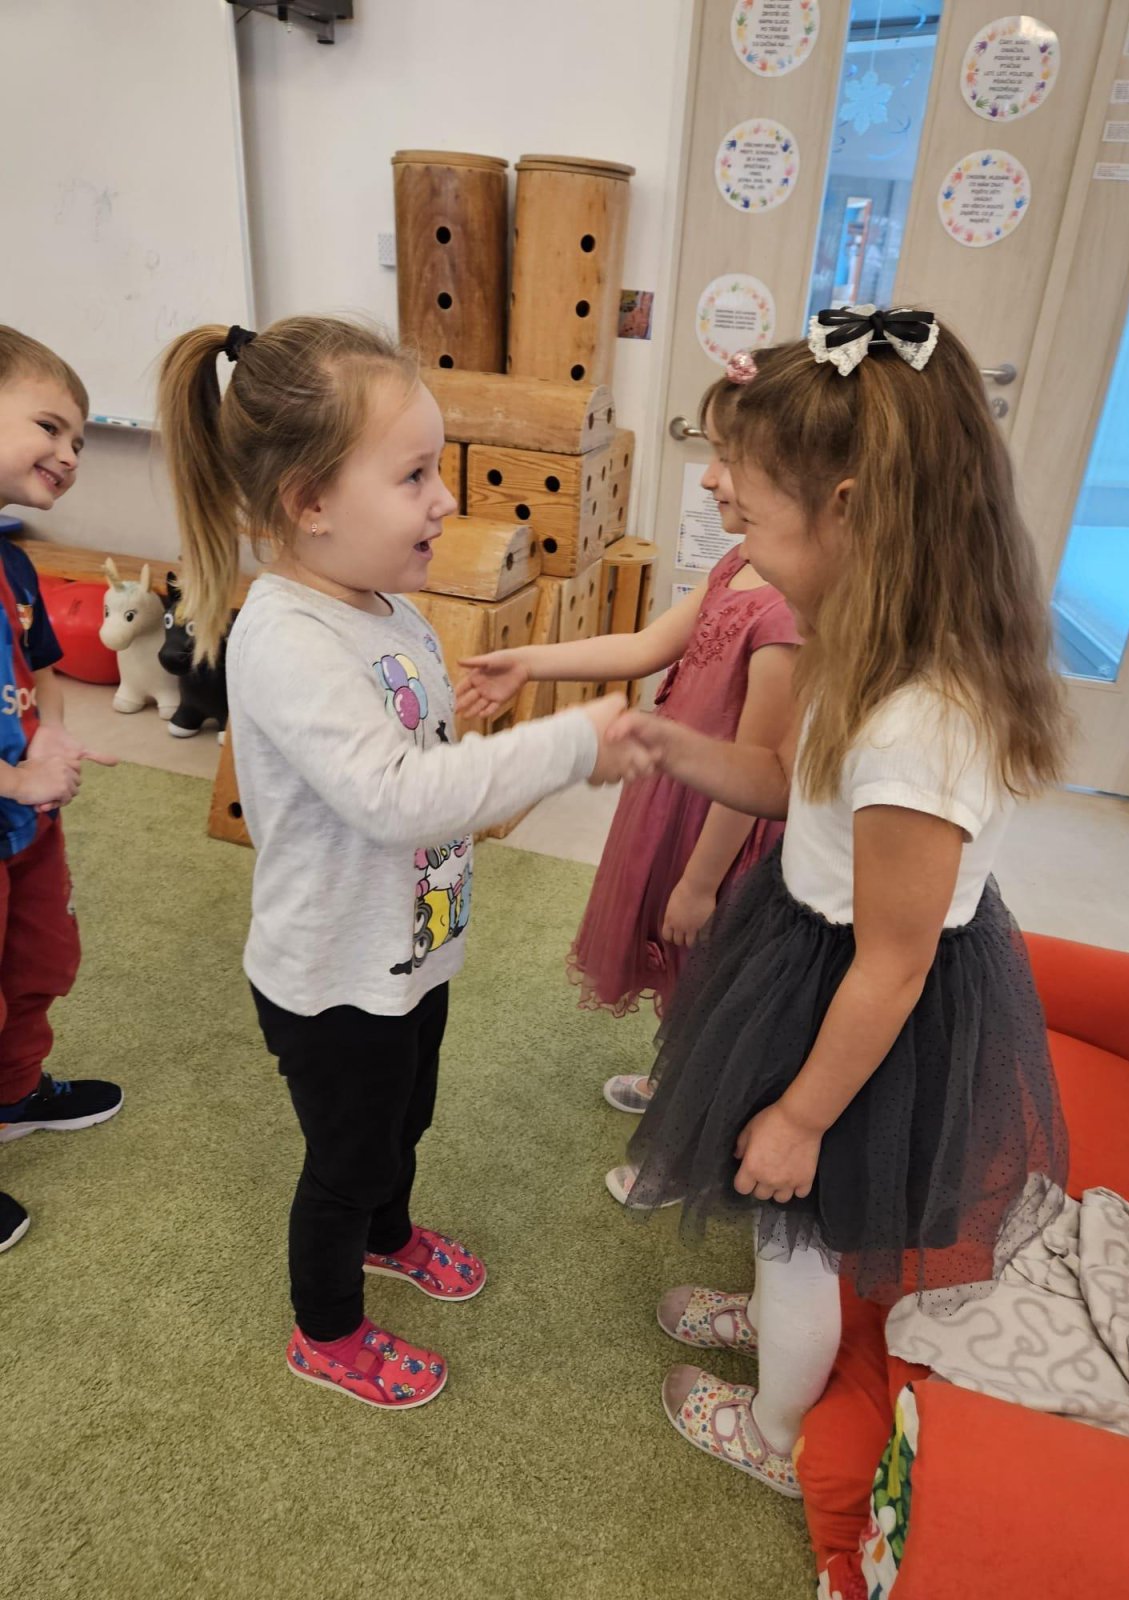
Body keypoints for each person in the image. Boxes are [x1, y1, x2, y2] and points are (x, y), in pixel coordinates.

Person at [606, 309, 1070, 1495]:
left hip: (864, 1001)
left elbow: (897, 962)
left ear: (851, 512)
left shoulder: (925, 721)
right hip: (819, 954)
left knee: (797, 1222)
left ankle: (775, 1432)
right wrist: (674, 746)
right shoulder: (868, 639)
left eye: (757, 524)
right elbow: (789, 783)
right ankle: (774, 1309)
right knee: (783, 1226)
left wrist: (806, 1116)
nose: (744, 550)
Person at [157, 316, 644, 1410]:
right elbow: (390, 798)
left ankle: (389, 1234)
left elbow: (426, 766)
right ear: (310, 503)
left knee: (402, 1120)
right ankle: (326, 1331)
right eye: (415, 474)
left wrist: (492, 732)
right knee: (346, 1160)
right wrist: (567, 745)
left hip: (407, 947)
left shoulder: (386, 610)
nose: (445, 500)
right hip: (332, 975)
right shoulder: (286, 638)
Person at [458, 352, 799, 1206]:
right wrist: (530, 661)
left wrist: (700, 881)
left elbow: (758, 772)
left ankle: (685, 1146)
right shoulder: (738, 564)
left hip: (718, 828)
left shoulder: (788, 614)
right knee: (680, 970)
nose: (709, 477)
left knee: (707, 975)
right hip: (674, 799)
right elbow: (647, 646)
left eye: (729, 458)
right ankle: (675, 1079)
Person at [0, 328, 122, 1254]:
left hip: (24, 824)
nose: (70, 454)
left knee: (40, 958)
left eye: (79, 439)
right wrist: (16, 774)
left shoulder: (14, 562)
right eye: (50, 426)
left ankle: (12, 1095)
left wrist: (48, 737)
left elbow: (41, 668)